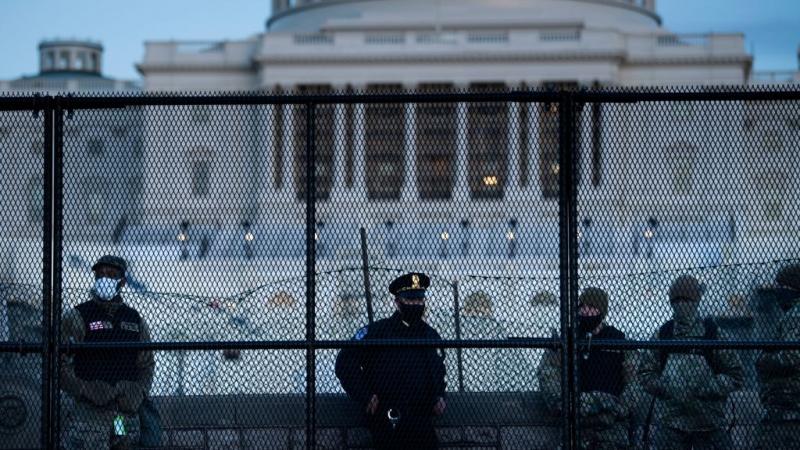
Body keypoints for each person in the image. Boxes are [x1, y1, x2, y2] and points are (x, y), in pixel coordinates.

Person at [335, 272, 447, 450]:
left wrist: (440, 395)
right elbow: (345, 362)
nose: (416, 305)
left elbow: (438, 369)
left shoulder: (429, 334)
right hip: (389, 418)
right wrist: (365, 395)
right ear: (398, 302)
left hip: (421, 418)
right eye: (410, 300)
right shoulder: (378, 332)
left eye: (419, 300)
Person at [638, 274, 744, 450]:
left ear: (696, 301)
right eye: (677, 300)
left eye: (687, 299)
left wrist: (710, 387)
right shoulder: (664, 334)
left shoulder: (712, 333)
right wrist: (666, 386)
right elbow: (645, 373)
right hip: (671, 422)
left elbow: (736, 374)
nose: (681, 304)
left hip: (709, 422)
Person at [60, 255, 155, 450]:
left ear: (122, 282)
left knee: (123, 443)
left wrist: (138, 392)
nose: (105, 278)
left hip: (123, 416)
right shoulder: (77, 316)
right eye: (100, 274)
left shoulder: (135, 320)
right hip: (89, 417)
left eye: (112, 275)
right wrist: (85, 390)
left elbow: (146, 364)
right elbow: (60, 364)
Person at [537, 287, 638, 449]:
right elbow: (547, 372)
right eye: (582, 307)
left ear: (601, 311)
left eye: (591, 308)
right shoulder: (568, 337)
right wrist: (564, 404)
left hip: (611, 426)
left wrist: (618, 409)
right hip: (575, 424)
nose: (585, 312)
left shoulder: (618, 339)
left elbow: (635, 379)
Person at [755, 264, 800, 449]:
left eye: (782, 289)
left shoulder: (794, 315)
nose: (778, 294)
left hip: (789, 402)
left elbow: (792, 356)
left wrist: (764, 360)